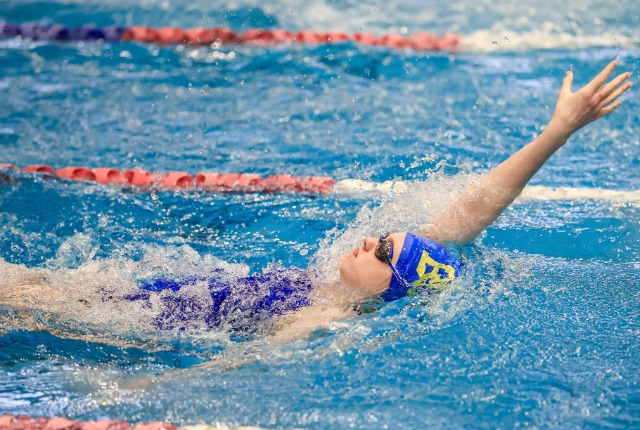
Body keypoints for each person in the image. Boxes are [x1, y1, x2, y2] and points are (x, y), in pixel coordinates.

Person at [0, 61, 632, 343]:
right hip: (161, 294)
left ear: (391, 288)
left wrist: (139, 389)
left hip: (145, 322)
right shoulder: (335, 287)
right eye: (385, 240)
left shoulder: (321, 319)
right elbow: (476, 208)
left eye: (383, 253)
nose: (371, 240)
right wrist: (557, 131)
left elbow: (239, 372)